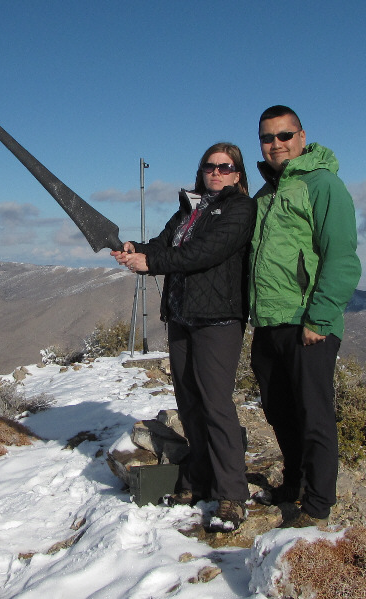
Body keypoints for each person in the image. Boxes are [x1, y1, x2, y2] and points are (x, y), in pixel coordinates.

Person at [112, 142, 256, 532]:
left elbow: (205, 253)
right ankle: (199, 478)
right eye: (210, 166)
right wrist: (136, 249)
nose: (216, 172)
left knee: (215, 404)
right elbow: (164, 244)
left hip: (218, 320)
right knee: (189, 401)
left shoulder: (241, 209)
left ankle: (232, 495)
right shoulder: (190, 208)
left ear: (238, 173)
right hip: (180, 315)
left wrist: (152, 262)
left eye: (225, 167)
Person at [248, 105, 361, 527]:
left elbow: (343, 259)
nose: (275, 144)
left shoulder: (324, 185)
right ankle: (293, 484)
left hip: (307, 323)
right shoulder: (266, 194)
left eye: (284, 135)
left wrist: (320, 317)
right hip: (269, 322)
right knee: (279, 411)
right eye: (267, 138)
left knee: (314, 414)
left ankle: (316, 506)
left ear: (301, 136)